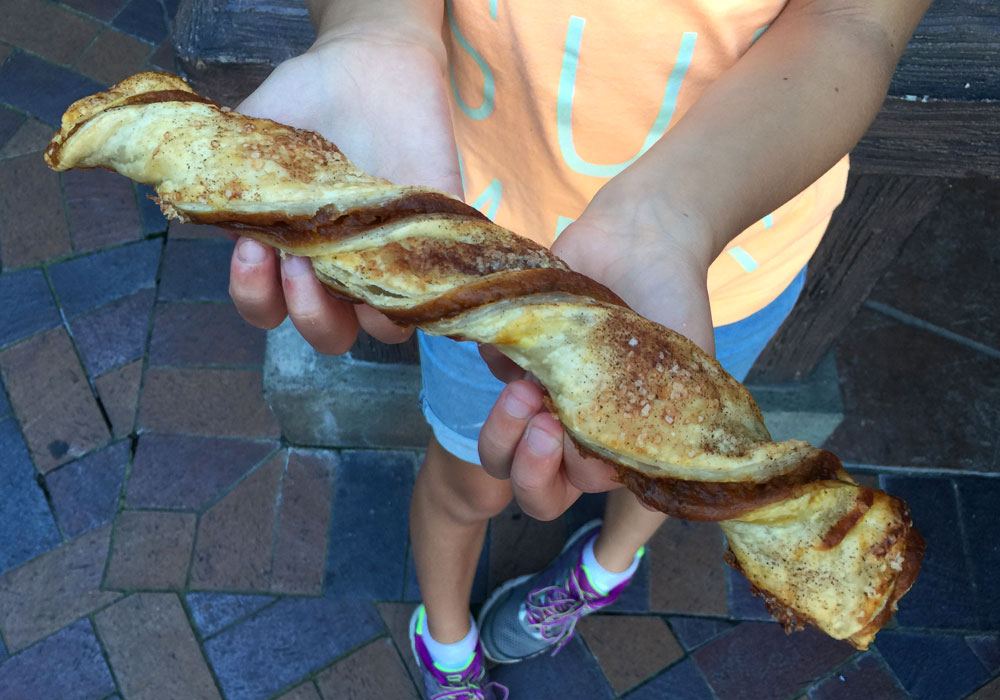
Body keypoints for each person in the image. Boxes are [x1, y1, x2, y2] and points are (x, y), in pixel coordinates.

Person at [227, 1, 931, 697]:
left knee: (668, 470)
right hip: (474, 264)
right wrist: (374, 28)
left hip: (724, 262)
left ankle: (604, 569)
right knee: (471, 479)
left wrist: (667, 217)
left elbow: (854, 19)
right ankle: (444, 635)